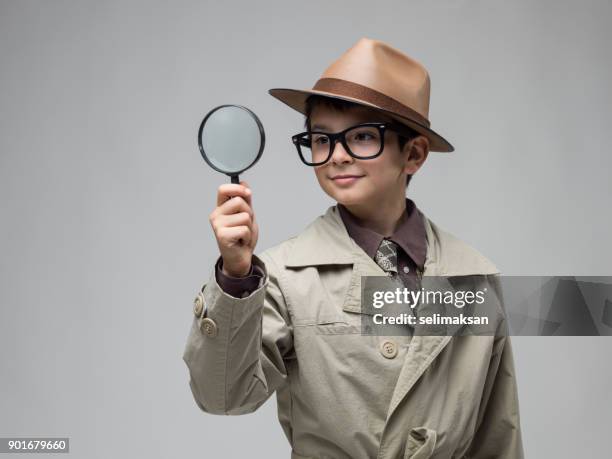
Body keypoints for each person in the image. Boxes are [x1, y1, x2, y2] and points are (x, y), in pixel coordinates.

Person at [183, 37, 524, 458]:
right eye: (321, 140)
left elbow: (497, 435)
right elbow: (224, 397)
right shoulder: (283, 277)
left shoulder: (474, 277)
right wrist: (235, 278)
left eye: (363, 137)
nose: (337, 155)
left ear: (413, 153)